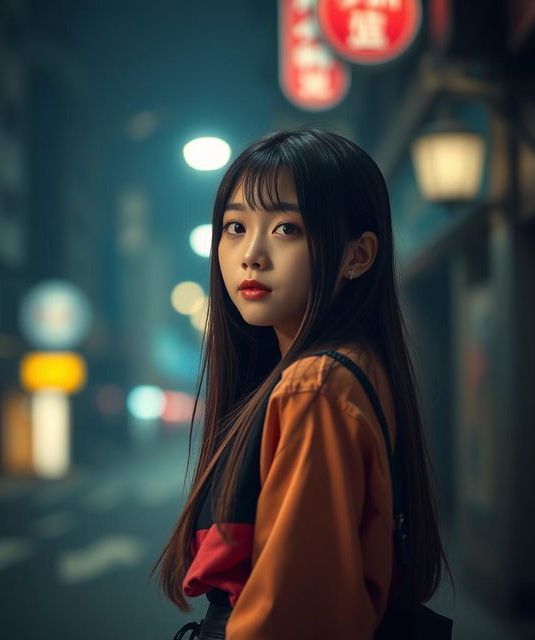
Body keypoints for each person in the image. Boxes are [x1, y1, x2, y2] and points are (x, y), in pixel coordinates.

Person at [151, 129, 454, 639]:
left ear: (358, 256)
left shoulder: (314, 387)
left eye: (287, 228)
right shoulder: (353, 369)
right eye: (234, 227)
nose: (251, 254)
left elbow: (292, 619)